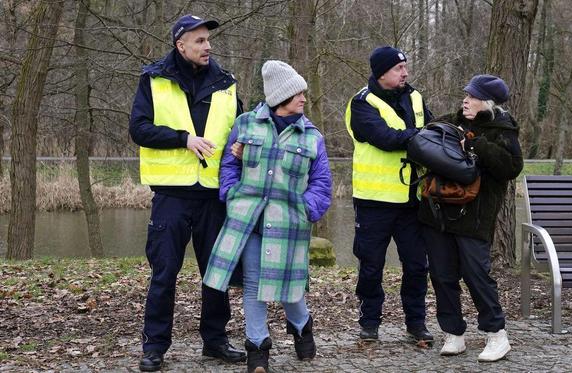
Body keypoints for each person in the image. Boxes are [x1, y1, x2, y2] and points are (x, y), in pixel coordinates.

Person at [129, 14, 246, 372]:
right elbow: (139, 129)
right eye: (199, 40)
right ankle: (155, 347)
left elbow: (239, 128)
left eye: (208, 39)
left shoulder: (227, 83)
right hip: (172, 195)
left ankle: (215, 341)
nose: (207, 46)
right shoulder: (153, 79)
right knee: (164, 273)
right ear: (181, 45)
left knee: (217, 273)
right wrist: (183, 139)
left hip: (212, 195)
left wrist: (241, 147)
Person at [203, 60, 332, 373]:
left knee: (290, 288)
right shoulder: (246, 124)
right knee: (253, 285)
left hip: (289, 224)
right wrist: (231, 194)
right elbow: (229, 165)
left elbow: (322, 183)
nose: (304, 98)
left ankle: (301, 325)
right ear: (280, 98)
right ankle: (257, 349)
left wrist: (306, 208)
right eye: (298, 93)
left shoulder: (311, 136)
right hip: (249, 222)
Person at [419, 74, 523, 362]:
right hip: (437, 210)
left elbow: (511, 167)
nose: (465, 100)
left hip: (474, 215)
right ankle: (453, 334)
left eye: (473, 96)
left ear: (487, 102)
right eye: (466, 95)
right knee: (441, 273)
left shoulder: (502, 129)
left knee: (477, 274)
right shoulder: (450, 121)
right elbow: (425, 141)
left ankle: (496, 334)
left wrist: (476, 144)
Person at [344, 46, 434, 344]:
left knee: (417, 266)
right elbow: (385, 139)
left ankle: (416, 324)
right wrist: (418, 136)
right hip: (374, 202)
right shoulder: (361, 103)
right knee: (371, 266)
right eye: (398, 68)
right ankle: (369, 323)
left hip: (412, 200)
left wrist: (423, 135)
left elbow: (432, 131)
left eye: (405, 67)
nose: (405, 72)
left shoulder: (416, 97)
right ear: (381, 72)